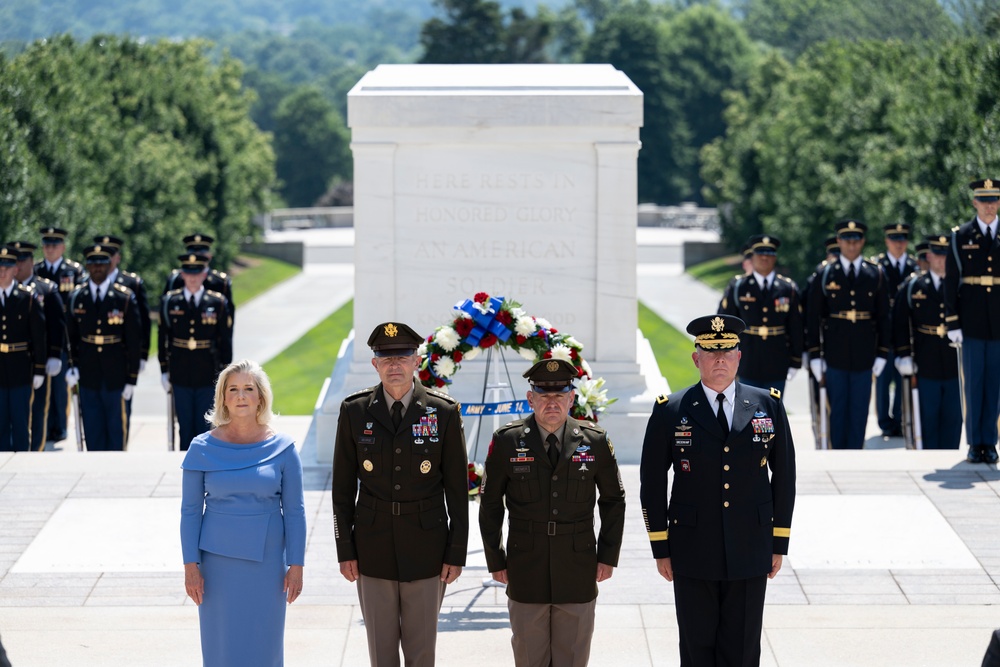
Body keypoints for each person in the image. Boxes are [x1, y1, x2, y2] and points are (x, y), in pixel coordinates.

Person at [639, 314, 795, 667]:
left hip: (750, 546)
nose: (720, 360)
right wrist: (660, 547)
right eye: (711, 352)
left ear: (740, 356)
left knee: (741, 651)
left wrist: (778, 541)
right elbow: (651, 484)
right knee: (696, 650)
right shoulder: (671, 410)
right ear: (697, 358)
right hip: (692, 548)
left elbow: (785, 477)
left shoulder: (767, 404)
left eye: (727, 351)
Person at [332, 322, 469, 667]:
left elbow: (457, 490)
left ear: (417, 360)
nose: (395, 364)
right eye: (386, 357)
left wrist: (456, 552)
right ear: (375, 364)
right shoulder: (355, 411)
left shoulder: (443, 412)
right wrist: (344, 549)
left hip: (427, 546)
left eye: (403, 356)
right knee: (381, 652)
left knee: (421, 651)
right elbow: (343, 488)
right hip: (371, 545)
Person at [479, 358, 626, 667]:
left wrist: (607, 555)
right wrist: (495, 557)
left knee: (572, 658)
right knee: (529, 658)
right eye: (543, 395)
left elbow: (613, 500)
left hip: (577, 566)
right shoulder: (507, 441)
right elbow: (490, 503)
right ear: (530, 398)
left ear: (571, 398)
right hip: (525, 566)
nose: (552, 403)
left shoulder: (594, 441)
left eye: (559, 395)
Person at [180, 359, 306, 667]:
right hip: (216, 568)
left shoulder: (284, 448)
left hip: (267, 566)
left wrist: (297, 565)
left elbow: (295, 511)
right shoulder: (201, 447)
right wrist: (190, 567)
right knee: (221, 645)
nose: (241, 396)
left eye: (249, 389)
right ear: (222, 397)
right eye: (233, 389)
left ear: (261, 396)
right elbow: (190, 512)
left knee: (264, 643)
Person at [806, 219, 891, 449]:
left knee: (859, 410)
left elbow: (884, 316)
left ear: (862, 241)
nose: (851, 245)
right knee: (837, 409)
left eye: (856, 240)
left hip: (865, 355)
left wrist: (883, 353)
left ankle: (855, 455)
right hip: (835, 354)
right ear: (839, 241)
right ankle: (838, 456)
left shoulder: (876, 274)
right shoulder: (826, 274)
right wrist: (814, 355)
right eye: (846, 240)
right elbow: (813, 318)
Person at [944, 178, 1000, 463]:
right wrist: (952, 321)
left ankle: (989, 442)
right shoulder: (961, 236)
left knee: (994, 384)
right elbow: (951, 281)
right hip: (972, 320)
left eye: (994, 200)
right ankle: (974, 443)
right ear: (974, 202)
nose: (989, 206)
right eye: (984, 201)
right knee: (973, 384)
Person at [65, 244, 141, 451]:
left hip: (116, 373)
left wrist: (132, 378)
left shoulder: (124, 297)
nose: (97, 268)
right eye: (92, 264)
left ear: (110, 265)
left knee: (116, 429)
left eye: (102, 264)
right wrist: (71, 366)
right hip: (88, 372)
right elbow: (70, 337)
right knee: (92, 427)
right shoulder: (76, 297)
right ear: (87, 267)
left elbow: (134, 340)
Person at [892, 235, 962, 450]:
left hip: (954, 361)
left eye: (945, 256)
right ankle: (928, 456)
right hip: (926, 359)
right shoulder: (914, 286)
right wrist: (903, 354)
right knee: (927, 416)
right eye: (938, 256)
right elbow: (900, 322)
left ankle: (949, 455)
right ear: (929, 256)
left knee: (953, 416)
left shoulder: (959, 285)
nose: (941, 261)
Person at [159, 253, 233, 450]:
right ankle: (185, 462)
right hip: (180, 371)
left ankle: (204, 462)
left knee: (205, 424)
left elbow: (225, 340)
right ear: (182, 274)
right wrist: (164, 370)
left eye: (197, 272)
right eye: (188, 273)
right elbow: (162, 338)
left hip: (207, 371)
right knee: (184, 424)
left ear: (204, 274)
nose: (192, 277)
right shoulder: (170, 301)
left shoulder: (217, 302)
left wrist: (225, 374)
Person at [718, 235, 803, 396]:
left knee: (773, 411)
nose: (764, 257)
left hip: (777, 360)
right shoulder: (738, 286)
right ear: (753, 256)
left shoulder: (787, 288)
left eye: (769, 253)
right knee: (746, 411)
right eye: (760, 253)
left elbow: (796, 327)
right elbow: (725, 326)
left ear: (775, 257)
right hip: (747, 360)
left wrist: (795, 361)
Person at [93, 234, 151, 443]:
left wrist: (142, 355)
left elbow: (142, 324)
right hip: (95, 364)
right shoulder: (87, 284)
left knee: (120, 413)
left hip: (122, 361)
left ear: (117, 257)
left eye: (110, 254)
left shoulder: (131, 283)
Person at [9, 241, 65, 451]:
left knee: (38, 407)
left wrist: (54, 355)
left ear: (31, 262)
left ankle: (37, 446)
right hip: (13, 360)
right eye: (15, 261)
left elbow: (56, 325)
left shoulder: (46, 289)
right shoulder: (6, 289)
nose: (19, 266)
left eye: (22, 261)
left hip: (37, 359)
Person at [34, 226, 84, 444]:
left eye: (54, 245)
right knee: (43, 386)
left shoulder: (73, 271)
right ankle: (45, 425)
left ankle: (60, 426)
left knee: (60, 388)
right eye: (46, 245)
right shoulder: (36, 270)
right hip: (41, 335)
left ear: (62, 247)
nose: (50, 249)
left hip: (63, 338)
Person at [873, 223, 919, 438]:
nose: (898, 244)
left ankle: (901, 419)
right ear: (887, 241)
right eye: (894, 239)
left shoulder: (913, 266)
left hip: (904, 333)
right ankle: (885, 422)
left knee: (903, 380)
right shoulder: (878, 266)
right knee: (882, 382)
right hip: (883, 334)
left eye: (902, 240)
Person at [0, 246, 46, 452]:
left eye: (7, 268)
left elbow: (39, 337)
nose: (2, 272)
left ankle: (21, 460)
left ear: (15, 271)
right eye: (0, 267)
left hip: (20, 368)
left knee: (20, 421)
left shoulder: (27, 299)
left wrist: (39, 368)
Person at [163, 233, 235, 328]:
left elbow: (227, 319)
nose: (196, 257)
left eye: (201, 254)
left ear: (209, 256)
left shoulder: (220, 282)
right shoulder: (175, 279)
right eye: (193, 254)